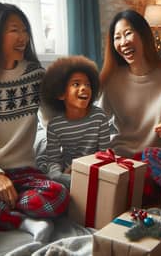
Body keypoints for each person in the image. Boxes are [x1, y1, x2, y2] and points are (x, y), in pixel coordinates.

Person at [0, 3, 69, 242]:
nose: (23, 37)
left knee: (58, 194)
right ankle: (23, 220)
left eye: (25, 30)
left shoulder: (35, 74)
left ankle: (6, 209)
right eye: (14, 30)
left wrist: (69, 156)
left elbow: (52, 122)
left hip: (23, 172)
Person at [99, 9, 161, 158]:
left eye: (128, 33)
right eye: (117, 37)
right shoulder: (112, 78)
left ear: (143, 35)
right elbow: (98, 121)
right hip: (119, 156)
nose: (123, 42)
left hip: (155, 158)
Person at [37, 56, 110, 188]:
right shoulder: (55, 125)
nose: (84, 88)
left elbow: (105, 155)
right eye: (76, 84)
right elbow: (53, 160)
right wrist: (59, 175)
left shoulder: (100, 117)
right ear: (61, 94)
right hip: (66, 175)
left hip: (94, 171)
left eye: (87, 84)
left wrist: (83, 171)